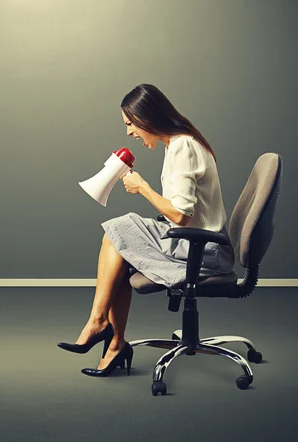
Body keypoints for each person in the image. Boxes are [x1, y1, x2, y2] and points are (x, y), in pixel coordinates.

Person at [58, 84, 234, 377]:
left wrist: (143, 188)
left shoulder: (183, 146)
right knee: (118, 240)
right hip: (196, 244)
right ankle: (112, 340)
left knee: (117, 231)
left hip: (203, 250)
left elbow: (180, 215)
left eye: (130, 124)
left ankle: (103, 328)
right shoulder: (178, 145)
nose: (129, 133)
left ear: (147, 117)